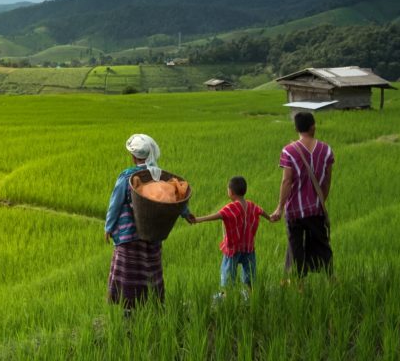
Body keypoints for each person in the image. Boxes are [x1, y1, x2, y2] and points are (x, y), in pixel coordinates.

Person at [105, 133, 195, 312]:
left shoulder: (127, 177)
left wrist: (108, 227)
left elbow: (115, 203)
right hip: (153, 235)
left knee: (129, 273)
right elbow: (175, 198)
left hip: (128, 235)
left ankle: (128, 310)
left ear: (133, 157)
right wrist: (186, 214)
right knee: (149, 270)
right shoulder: (160, 177)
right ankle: (151, 307)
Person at [270, 112, 335, 278]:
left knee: (296, 248)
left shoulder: (289, 151)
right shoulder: (326, 150)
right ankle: (330, 279)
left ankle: (299, 284)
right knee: (322, 246)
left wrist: (279, 208)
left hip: (295, 211)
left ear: (296, 128)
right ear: (313, 127)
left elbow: (286, 181)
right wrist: (320, 201)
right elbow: (327, 180)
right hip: (316, 210)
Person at [194, 176, 274, 298]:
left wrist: (198, 219)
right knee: (250, 276)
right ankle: (251, 295)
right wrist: (270, 218)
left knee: (228, 276)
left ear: (231, 192)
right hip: (248, 248)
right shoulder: (252, 205)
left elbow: (218, 215)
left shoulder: (232, 207)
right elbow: (262, 212)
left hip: (233, 249)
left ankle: (228, 297)